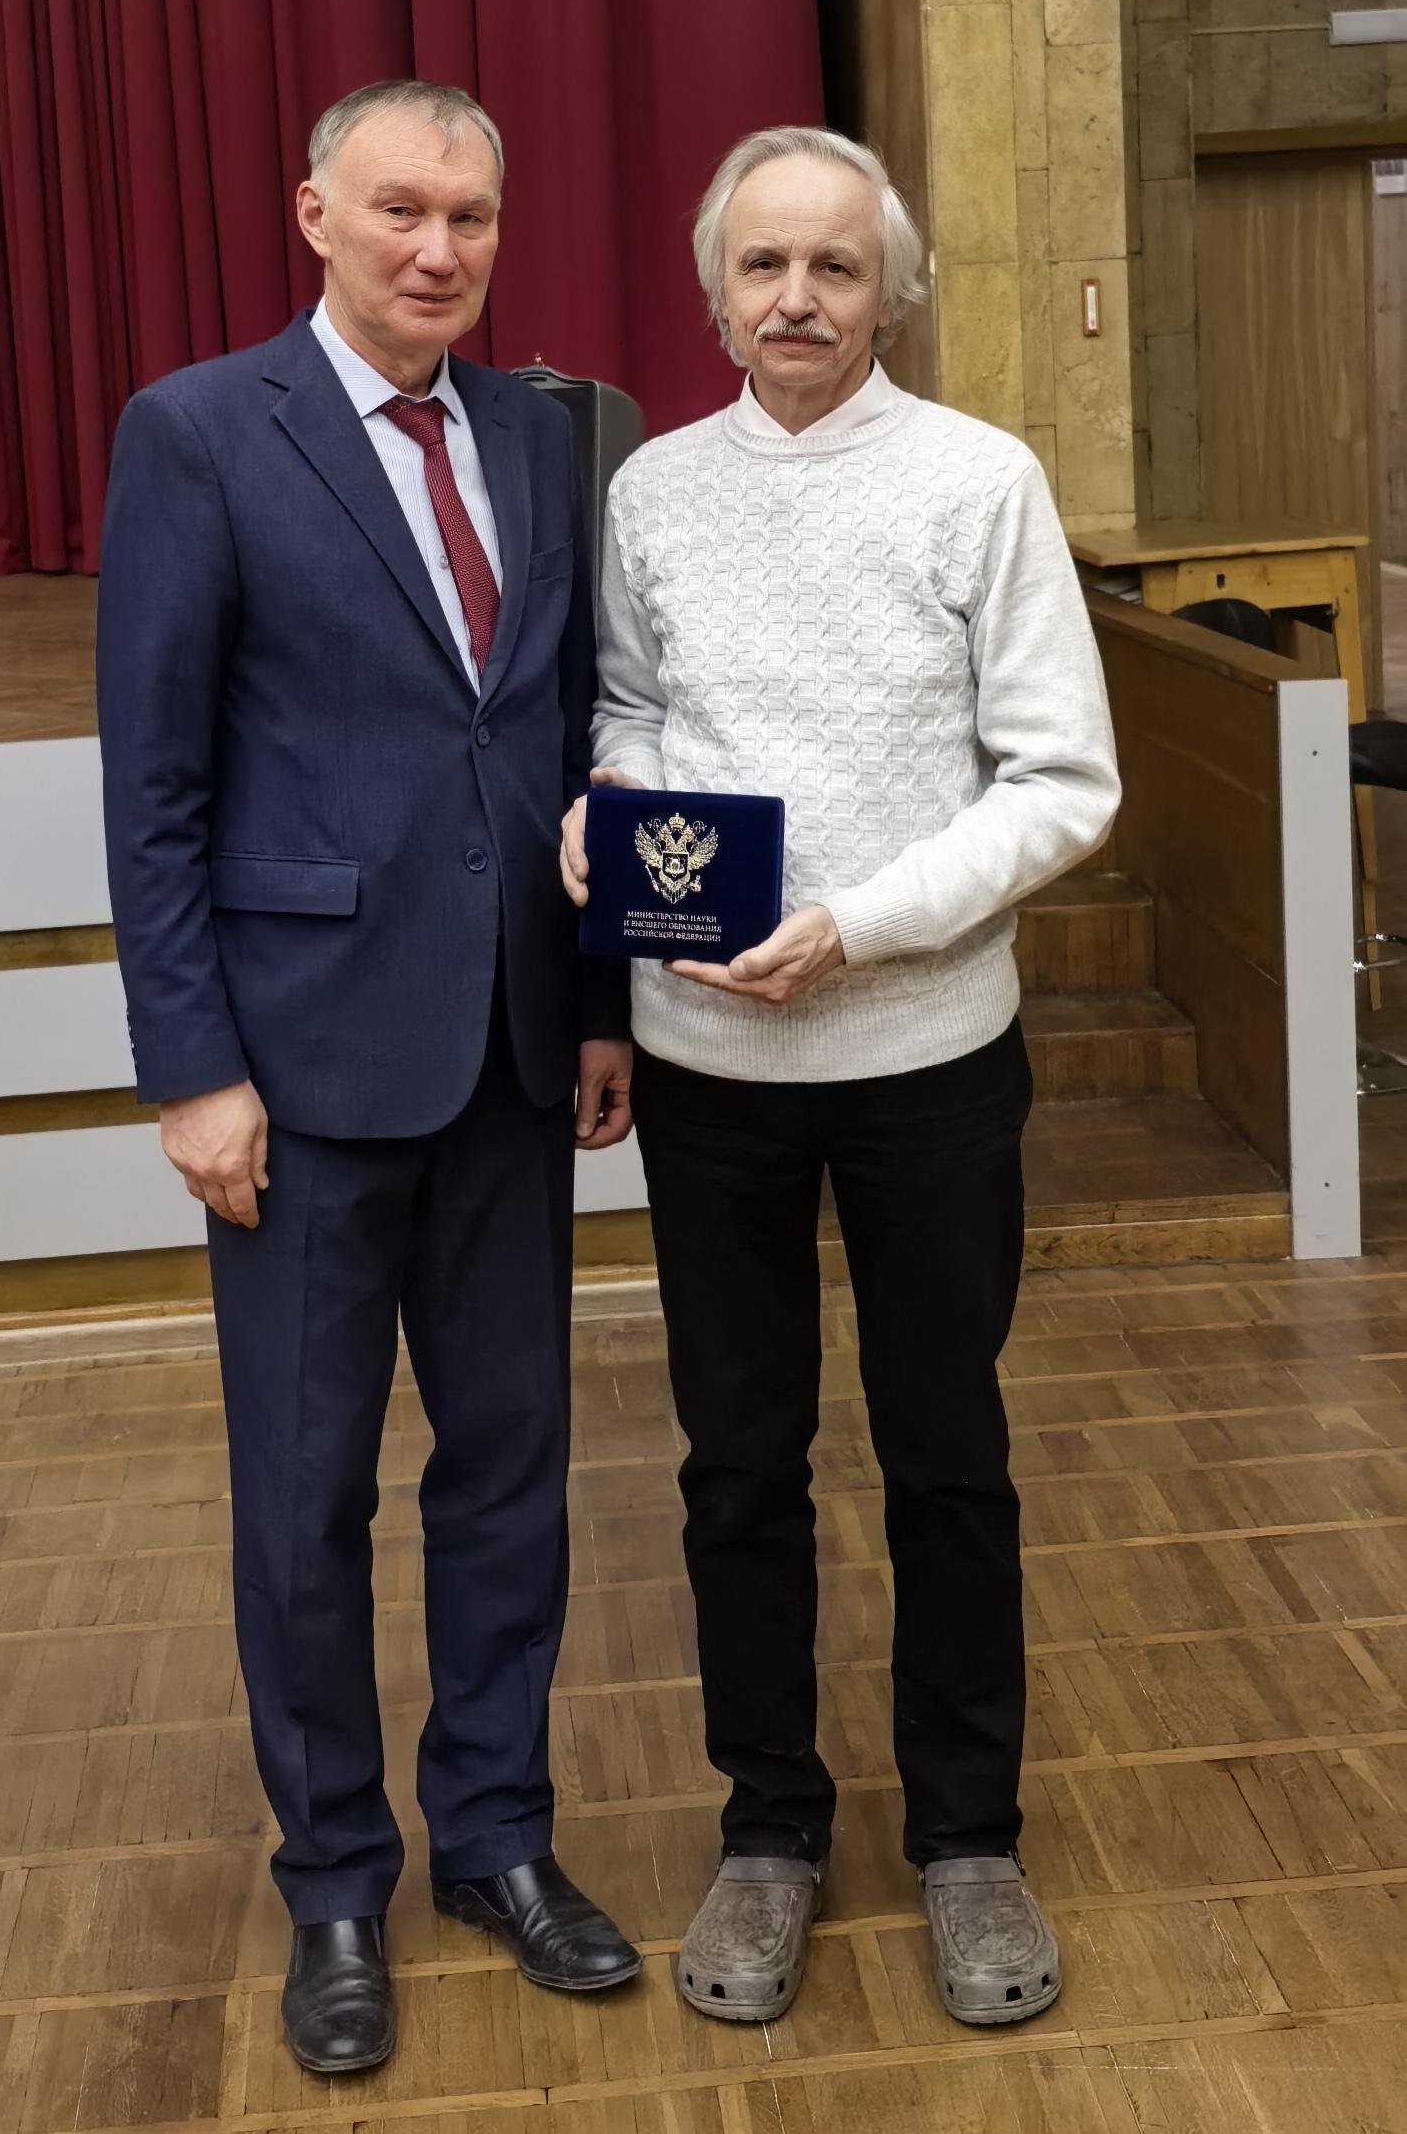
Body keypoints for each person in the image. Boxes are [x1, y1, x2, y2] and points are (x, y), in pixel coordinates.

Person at [98, 79, 641, 2078]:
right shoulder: (196, 432)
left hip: (512, 1053)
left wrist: (600, 999)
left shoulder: (539, 434)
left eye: (471, 216)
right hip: (300, 1071)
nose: (439, 247)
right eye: (401, 208)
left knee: (508, 1478)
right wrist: (190, 1068)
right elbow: (155, 783)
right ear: (312, 212)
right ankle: (333, 1877)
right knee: (301, 1502)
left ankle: (495, 1836)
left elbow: (565, 735)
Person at [561, 127, 1119, 2027]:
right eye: (763, 264)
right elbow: (631, 705)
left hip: (924, 1054)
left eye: (834, 266)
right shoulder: (651, 488)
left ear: (891, 291)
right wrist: (616, 807)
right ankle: (768, 1828)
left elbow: (1062, 779)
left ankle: (966, 1837)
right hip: (709, 1059)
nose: (795, 297)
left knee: (943, 1450)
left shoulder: (980, 479)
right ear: (714, 289)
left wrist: (861, 926)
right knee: (737, 1463)